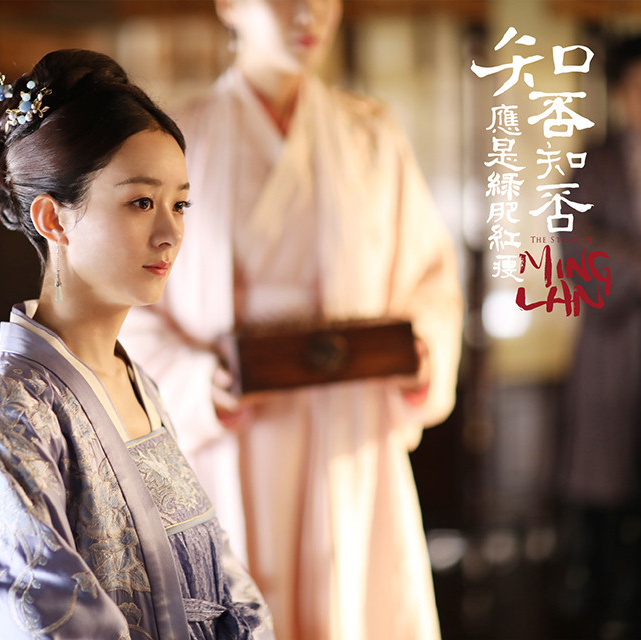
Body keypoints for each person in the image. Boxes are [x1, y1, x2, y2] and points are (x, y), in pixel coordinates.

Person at [120, 1, 463, 639]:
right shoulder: (177, 138)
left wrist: (419, 351)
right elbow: (128, 302)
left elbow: (429, 278)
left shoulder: (371, 133)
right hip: (233, 431)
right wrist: (197, 383)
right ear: (229, 5)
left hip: (351, 424)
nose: (309, 13)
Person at [0, 49, 274, 640]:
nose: (170, 233)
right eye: (141, 202)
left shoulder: (136, 380)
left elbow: (225, 578)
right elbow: (49, 623)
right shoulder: (6, 412)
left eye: (180, 204)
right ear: (53, 220)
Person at [557, 34, 641, 640]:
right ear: (619, 93)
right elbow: (581, 256)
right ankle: (610, 600)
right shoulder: (591, 164)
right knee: (610, 488)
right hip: (613, 347)